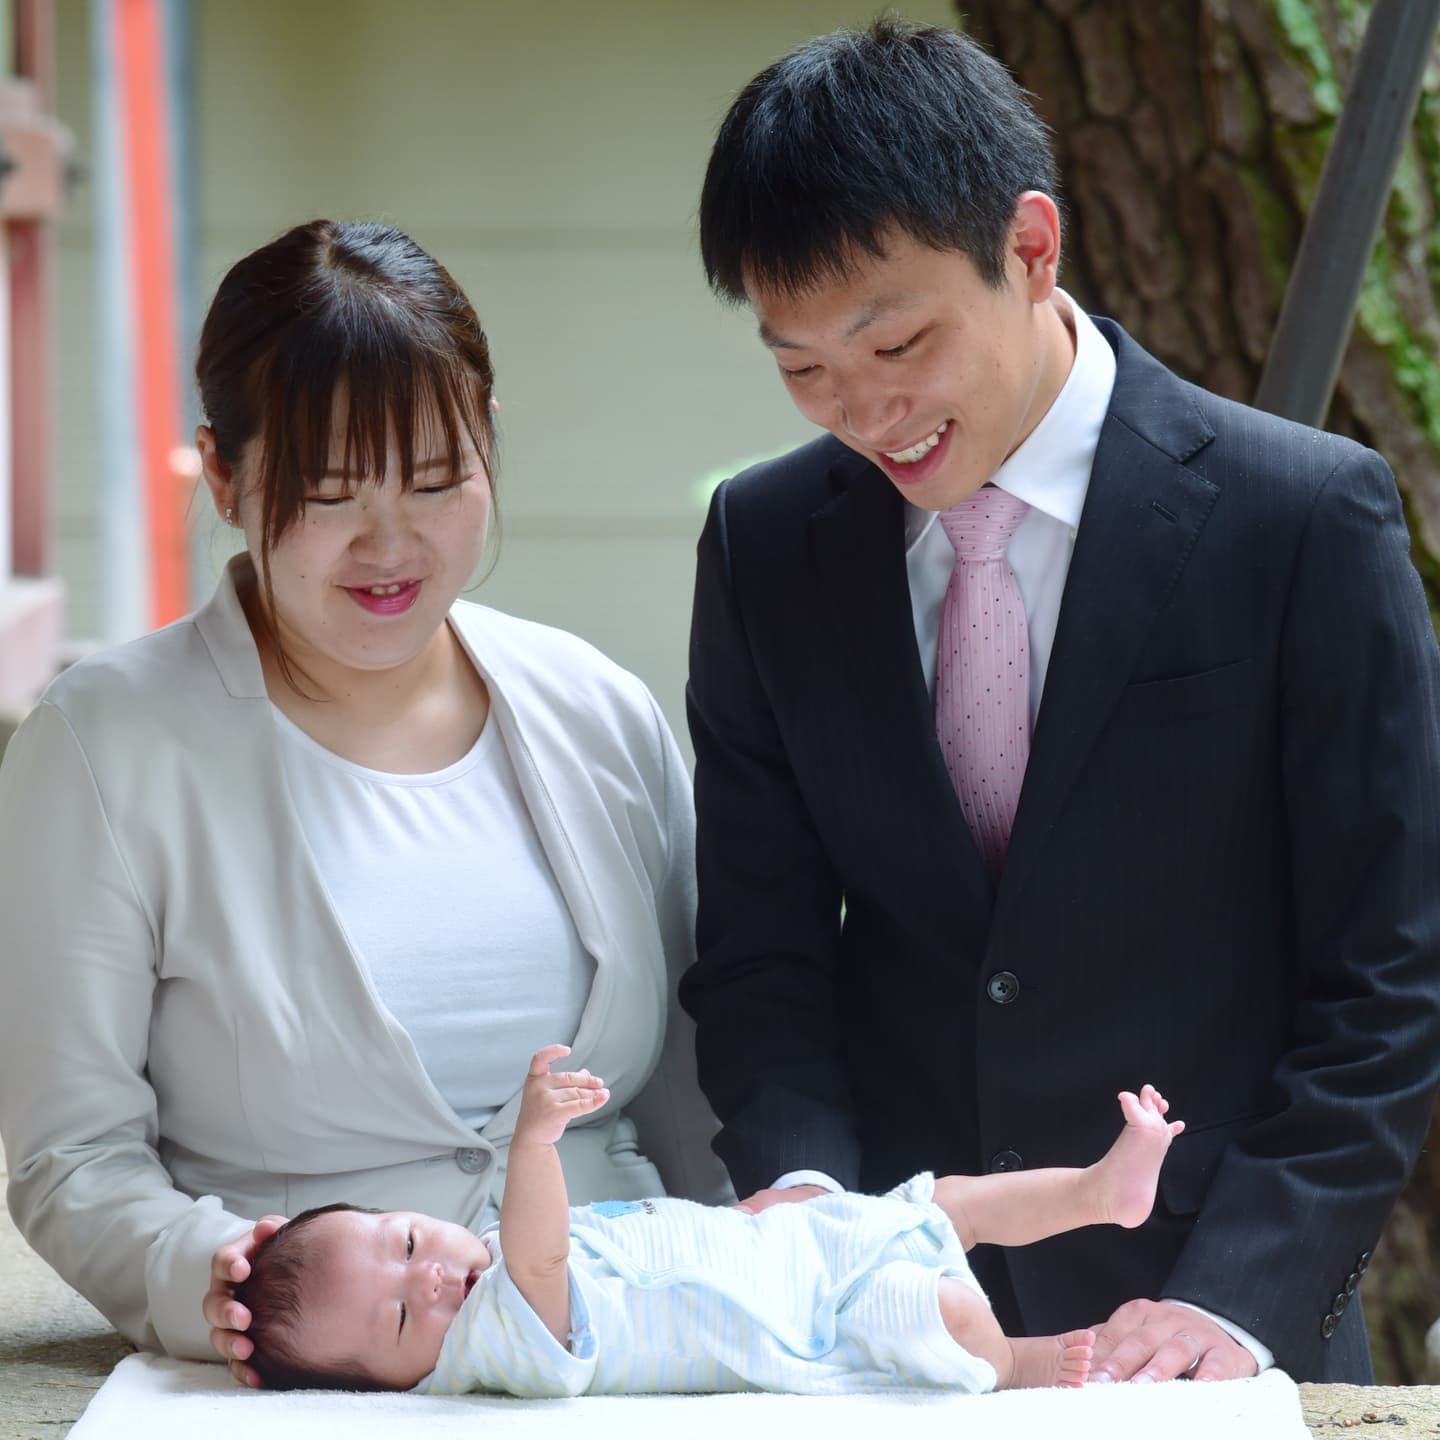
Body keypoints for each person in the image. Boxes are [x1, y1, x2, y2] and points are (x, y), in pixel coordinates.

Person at [681, 17, 1440, 1388]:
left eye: (899, 343)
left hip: (1216, 1323)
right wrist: (813, 1211)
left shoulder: (1300, 518)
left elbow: (1392, 970)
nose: (865, 412)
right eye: (804, 370)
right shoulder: (764, 543)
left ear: (1032, 247)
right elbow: (759, 953)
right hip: (896, 1325)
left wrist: (1240, 1298)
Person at [0, 219, 727, 1383]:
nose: (392, 544)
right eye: (331, 494)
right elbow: (72, 1159)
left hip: (637, 1352)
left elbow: (697, 1089)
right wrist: (222, 1286)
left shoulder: (598, 712)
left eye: (437, 482)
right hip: (317, 1386)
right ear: (225, 476)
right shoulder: (106, 745)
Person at [231, 1045, 1186, 1395]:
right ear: (397, 1383)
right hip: (808, 1324)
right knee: (934, 1310)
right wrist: (534, 1144)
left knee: (947, 1203)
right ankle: (1017, 1363)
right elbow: (543, 1257)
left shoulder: (477, 1258)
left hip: (787, 1245)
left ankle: (1098, 1191)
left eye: (406, 1242)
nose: (433, 1277)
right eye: (402, 1316)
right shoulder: (497, 1350)